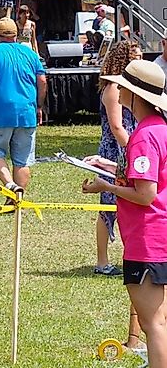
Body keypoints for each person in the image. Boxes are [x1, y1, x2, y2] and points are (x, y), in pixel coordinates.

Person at [82, 59, 167, 367]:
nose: (115, 91)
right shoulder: (159, 129)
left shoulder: (144, 135)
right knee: (158, 321)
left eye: (121, 86)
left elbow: (145, 194)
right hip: (158, 234)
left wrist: (107, 186)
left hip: (149, 238)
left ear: (133, 94)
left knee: (152, 324)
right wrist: (110, 167)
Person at [0, 18, 47, 201]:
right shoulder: (30, 53)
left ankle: (10, 186)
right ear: (16, 34)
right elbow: (42, 80)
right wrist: (39, 106)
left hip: (1, 111)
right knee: (22, 159)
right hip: (27, 111)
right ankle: (17, 200)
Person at [93, 41, 142, 276]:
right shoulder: (113, 88)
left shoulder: (130, 88)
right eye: (136, 58)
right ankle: (102, 262)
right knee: (108, 207)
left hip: (131, 147)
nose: (141, 62)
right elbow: (117, 126)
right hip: (116, 151)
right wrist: (133, 151)